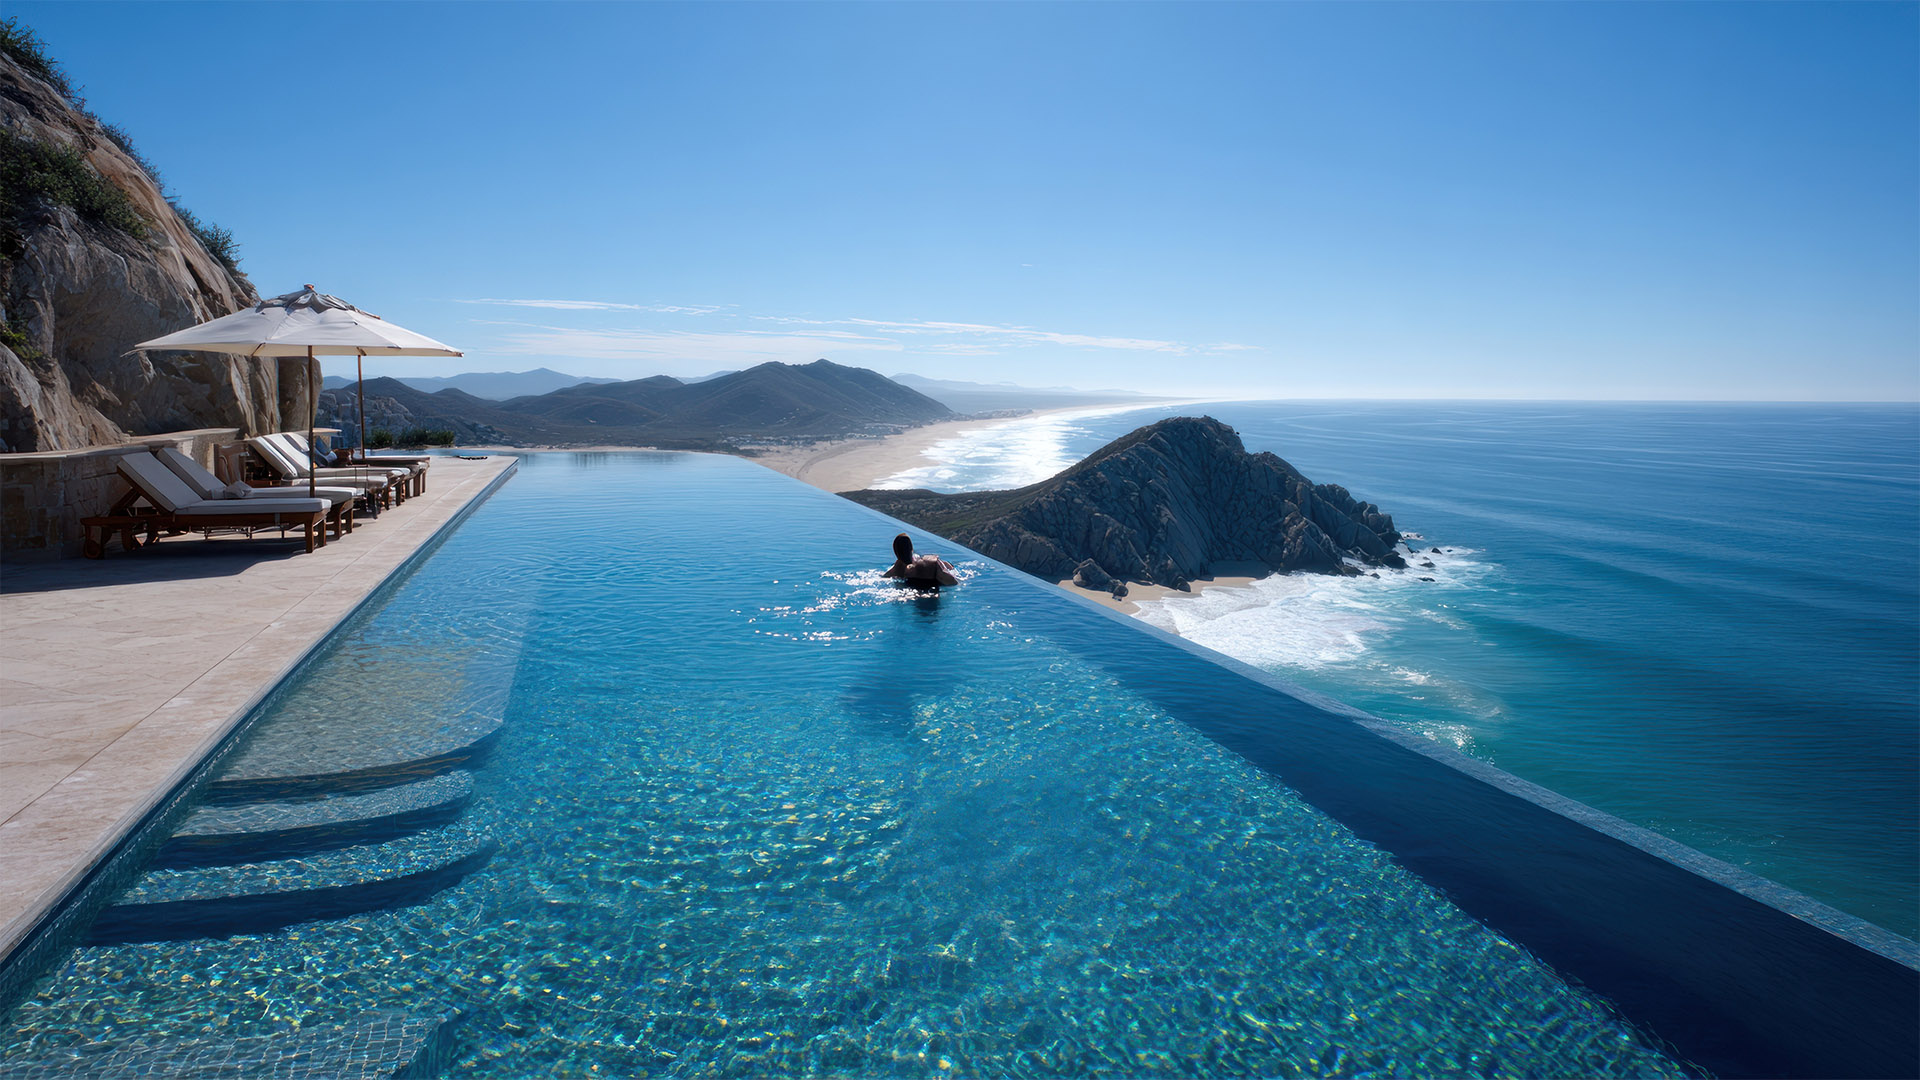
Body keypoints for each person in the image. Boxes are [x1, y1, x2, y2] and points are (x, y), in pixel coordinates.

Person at [884, 532, 959, 587]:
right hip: (931, 590)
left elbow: (885, 577)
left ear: (896, 552)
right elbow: (952, 582)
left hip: (911, 588)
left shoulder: (898, 567)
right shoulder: (930, 561)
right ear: (911, 548)